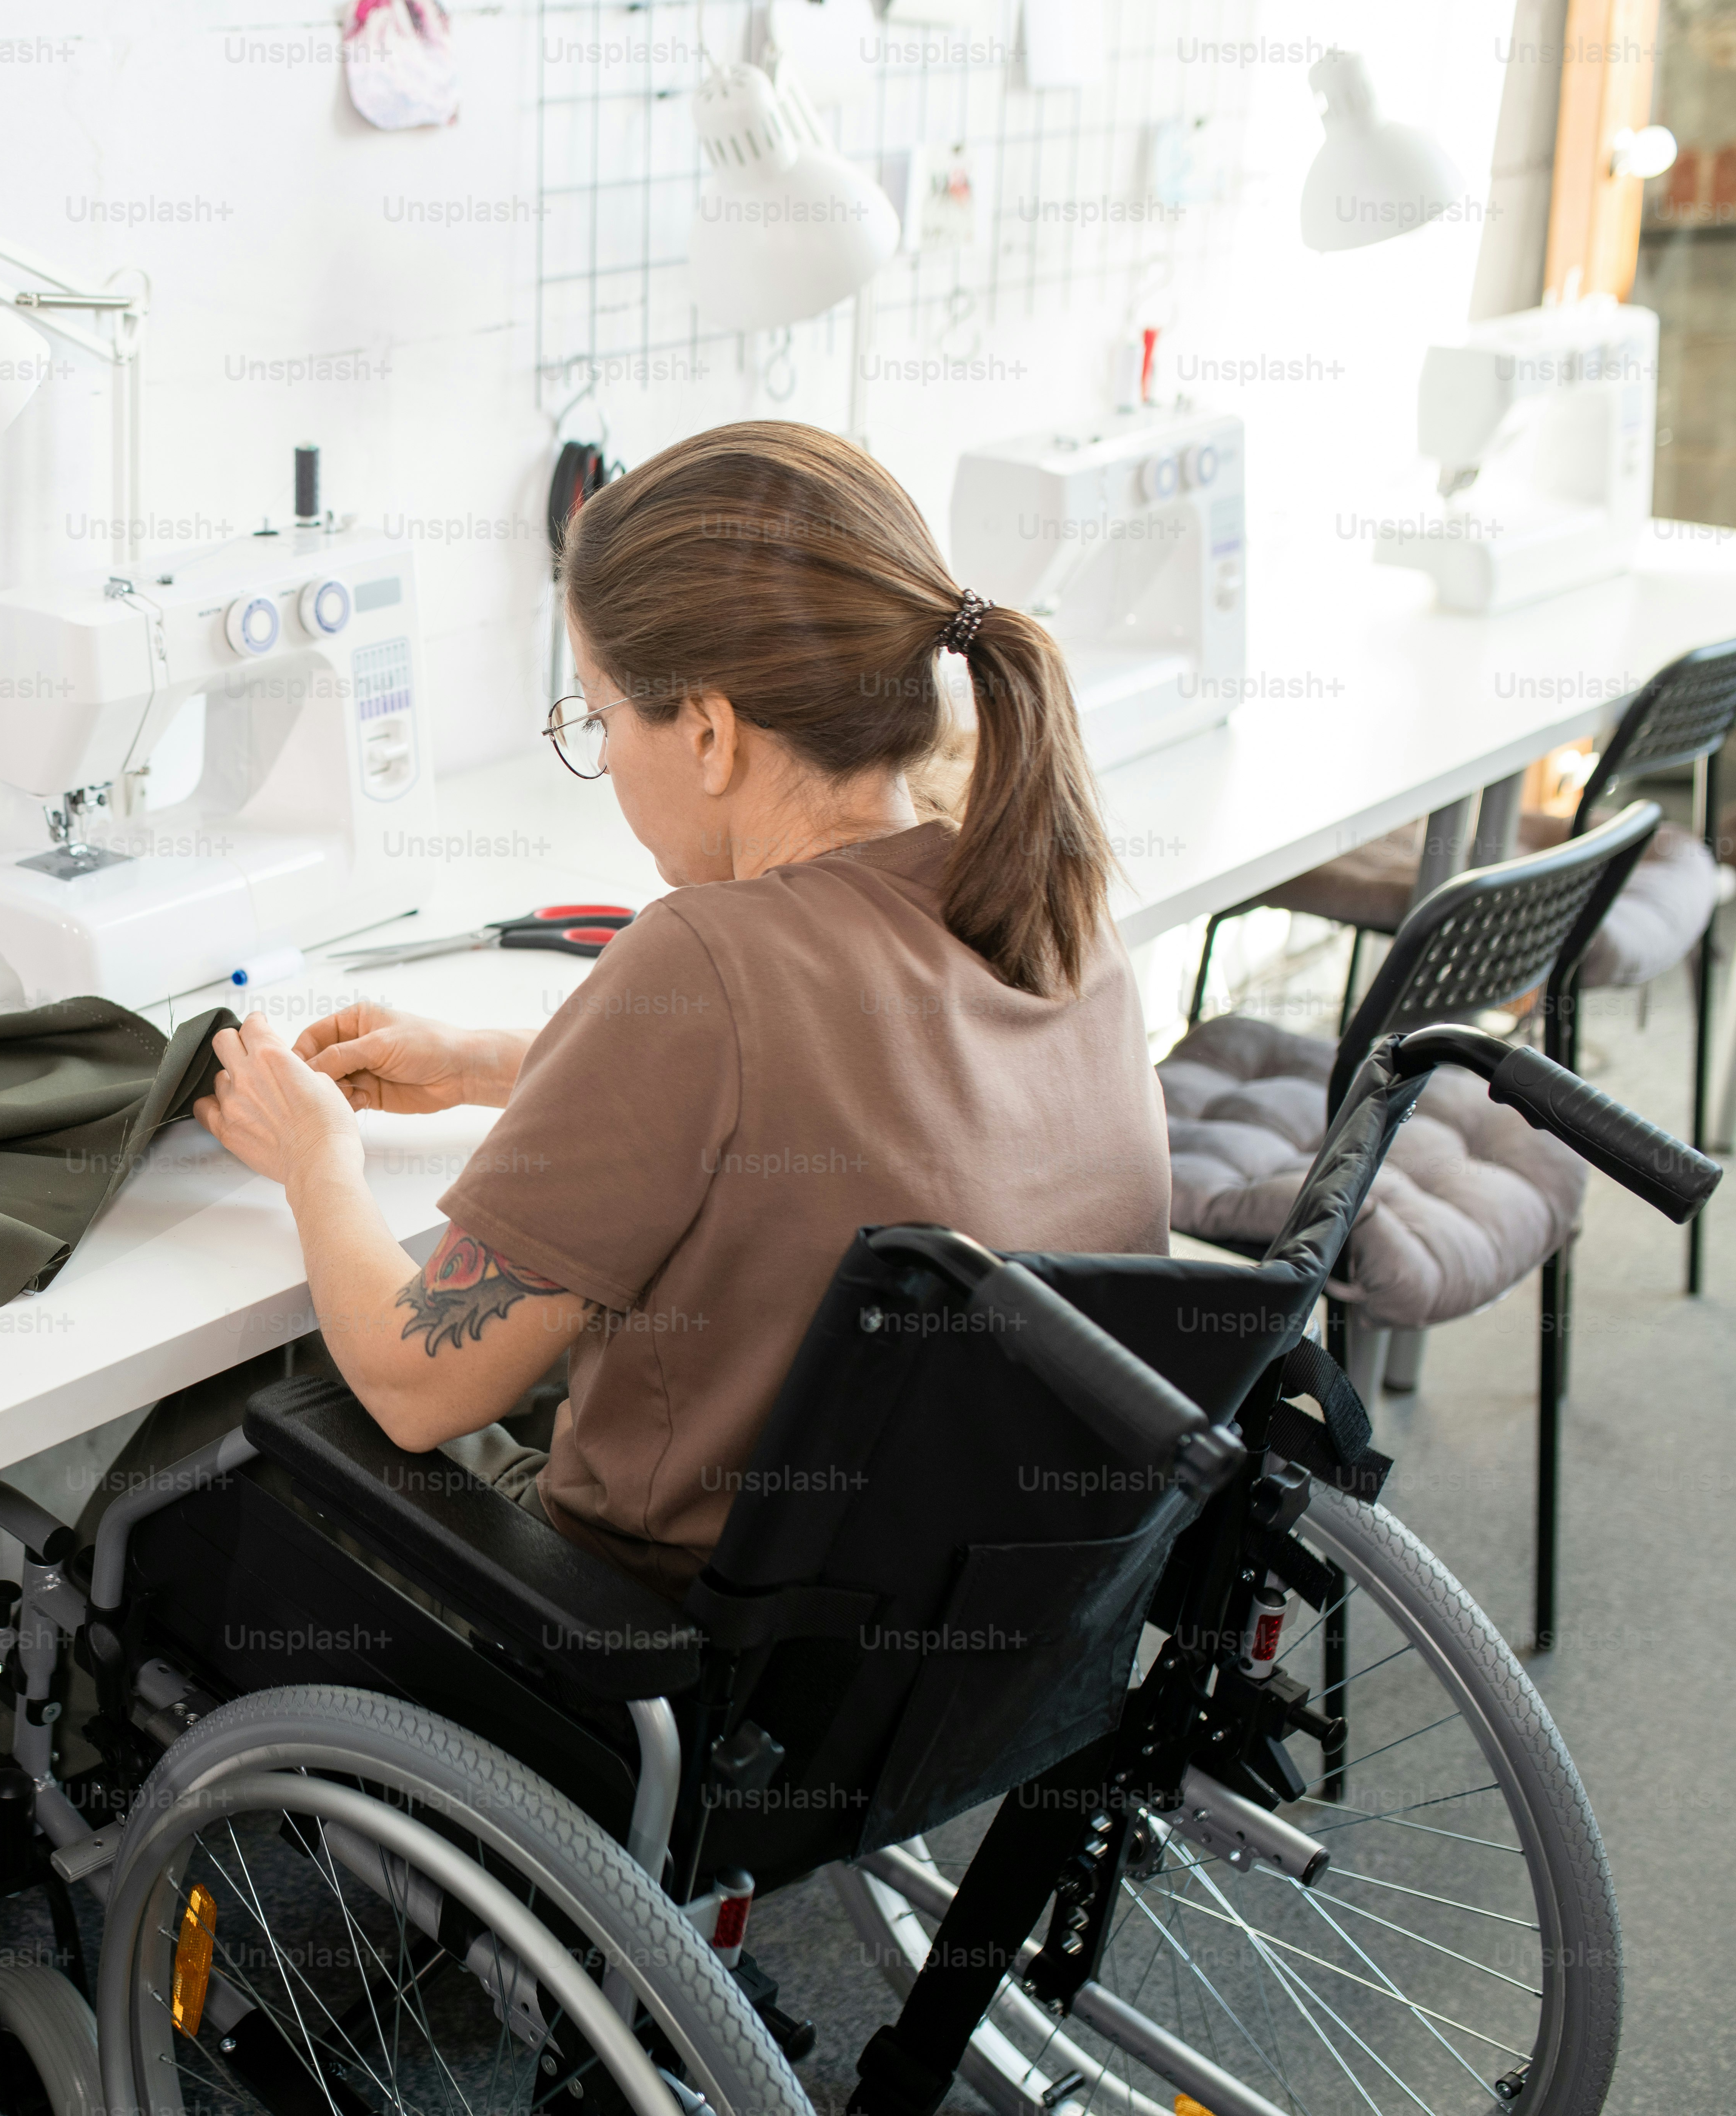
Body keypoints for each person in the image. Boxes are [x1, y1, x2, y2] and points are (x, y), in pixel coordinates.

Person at [190, 420, 1170, 1596]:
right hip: (970, 1626)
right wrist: (493, 1060)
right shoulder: (1044, 893)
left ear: (706, 733)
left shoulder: (703, 961)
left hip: (638, 1651)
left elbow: (414, 1384)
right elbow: (836, 1095)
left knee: (185, 1488)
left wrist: (315, 1159)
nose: (602, 759)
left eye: (599, 718)